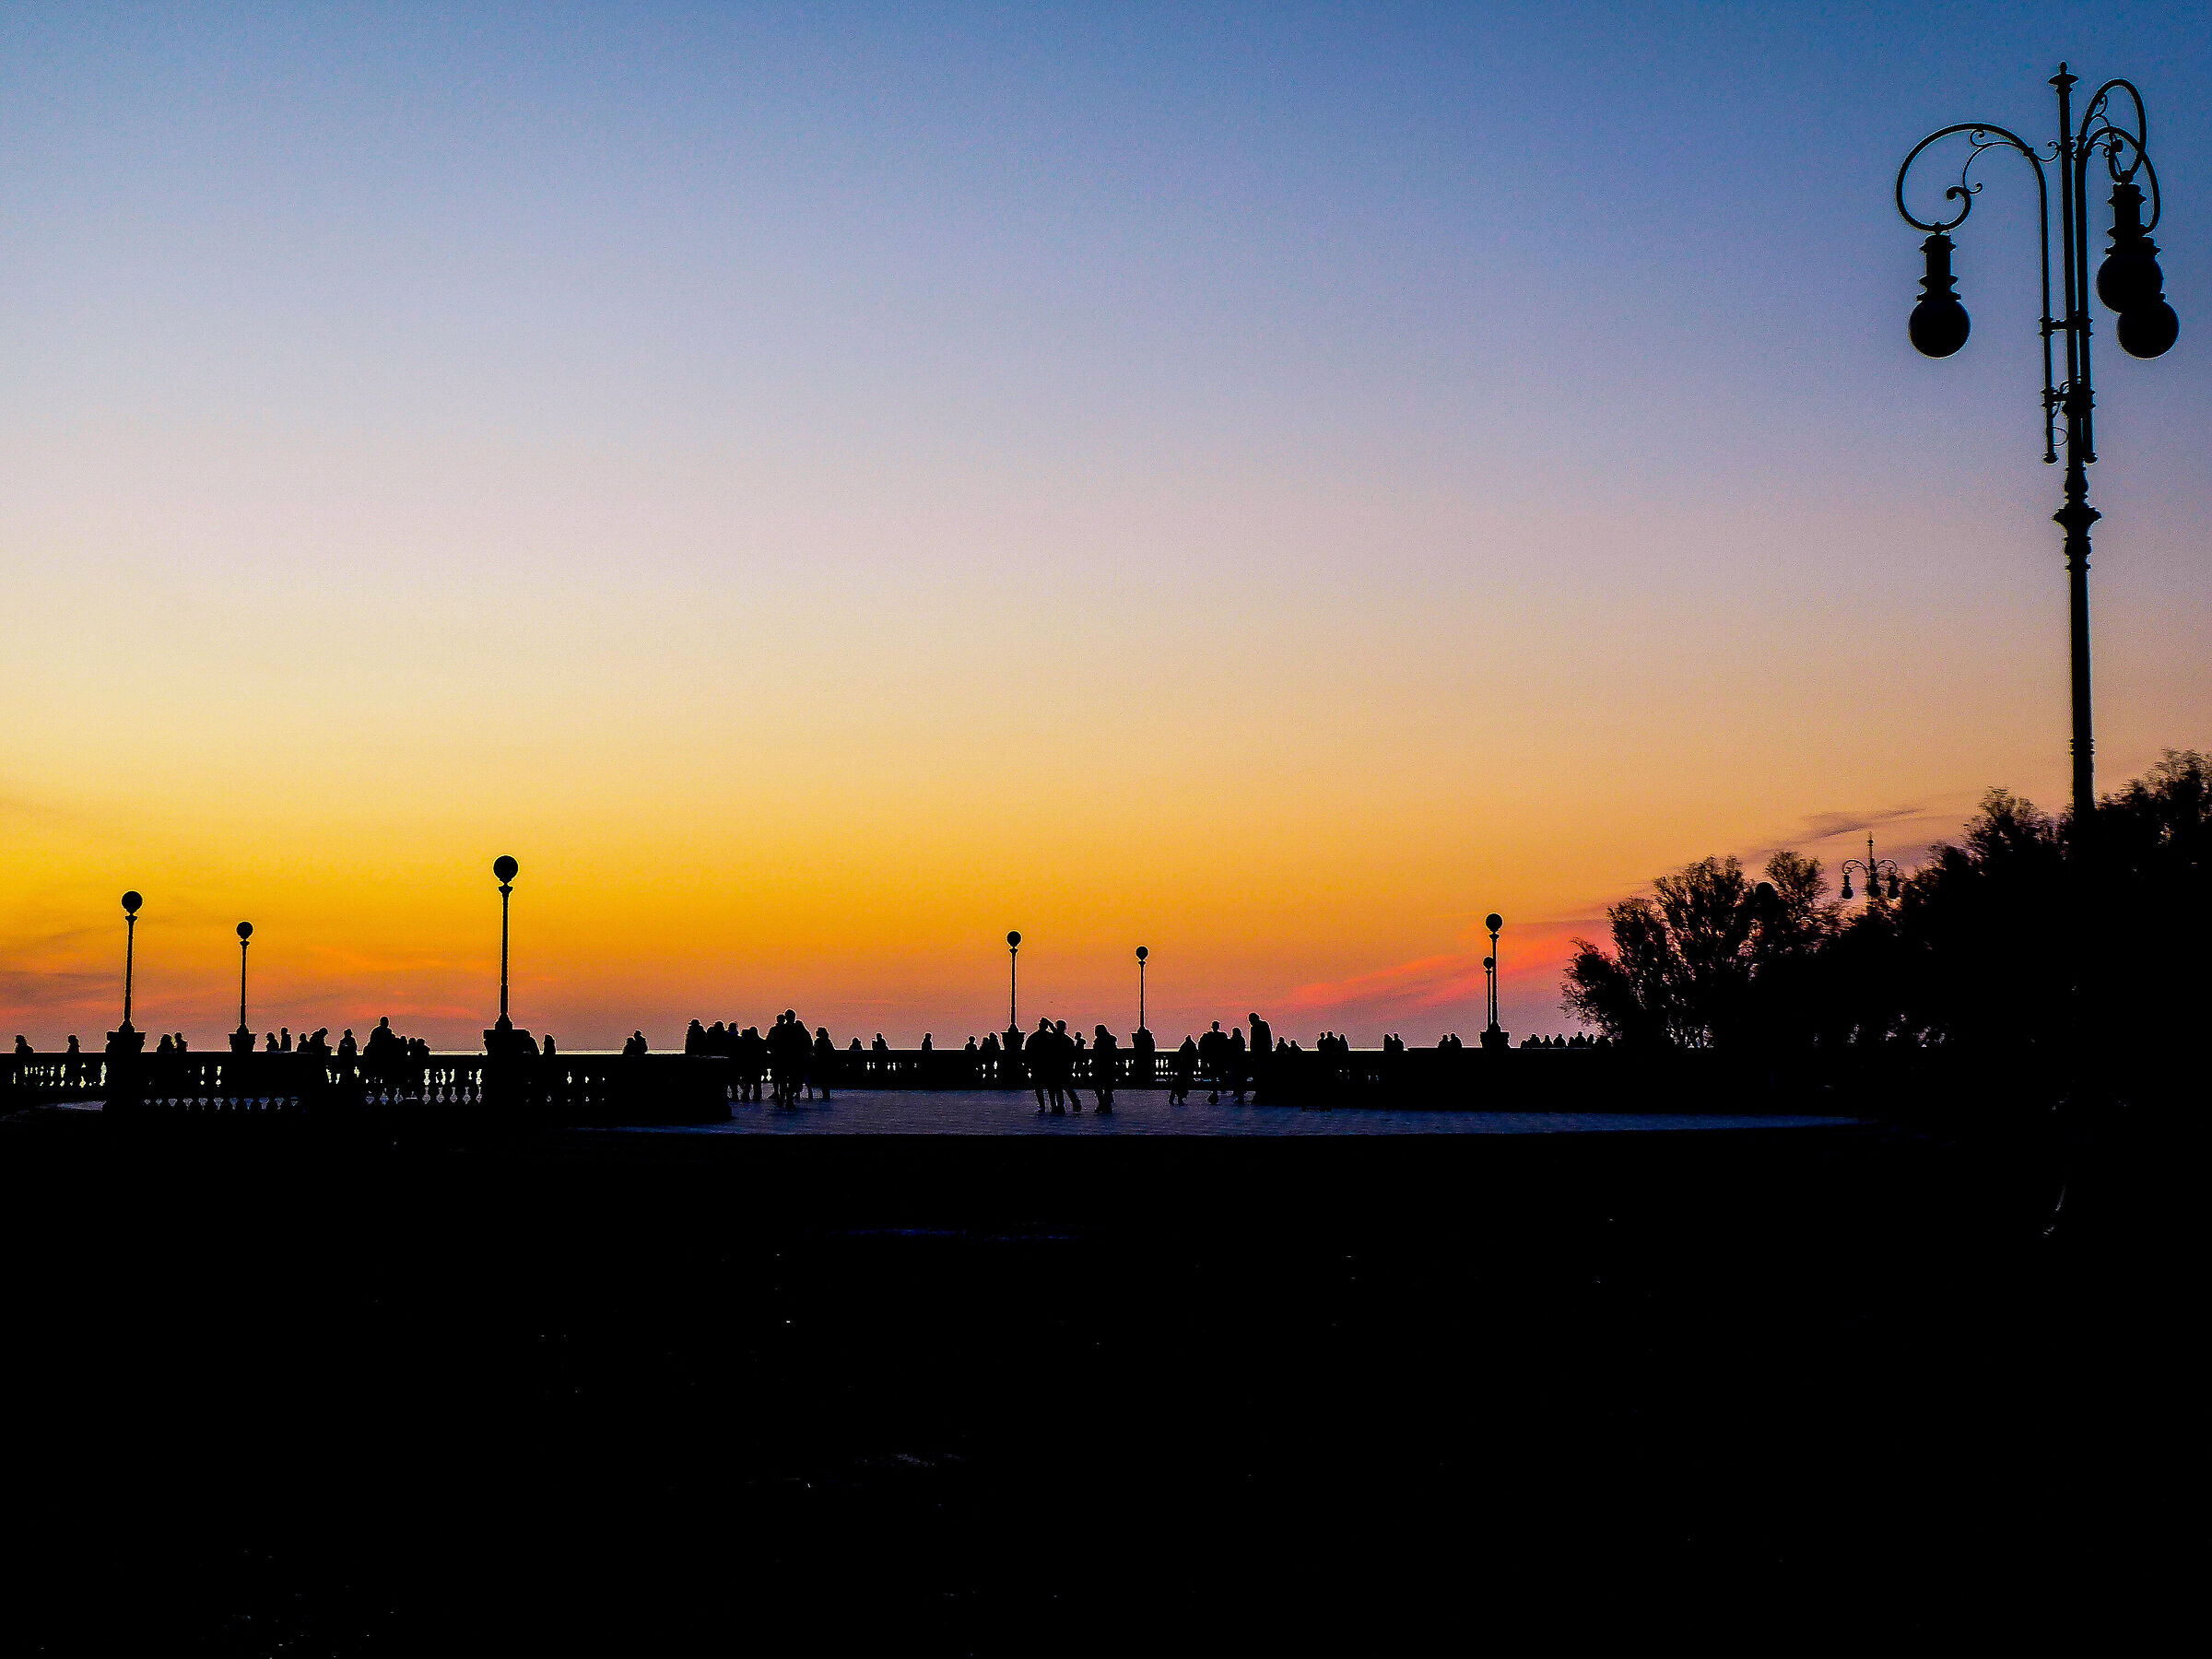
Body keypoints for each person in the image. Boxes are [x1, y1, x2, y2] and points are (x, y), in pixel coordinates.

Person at [1092, 1025, 1118, 1112]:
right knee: (1105, 1087)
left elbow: (1098, 1054)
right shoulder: (1109, 1040)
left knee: (1100, 1086)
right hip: (1107, 1066)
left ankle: (1103, 1104)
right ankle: (1105, 1104)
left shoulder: (1101, 1041)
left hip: (1103, 1066)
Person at [1171, 1035, 1197, 1105]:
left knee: (1179, 1083)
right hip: (1187, 1069)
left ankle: (1174, 1097)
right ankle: (1180, 1098)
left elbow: (1180, 1054)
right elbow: (1194, 1057)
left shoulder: (1184, 1046)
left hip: (1182, 1068)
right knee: (1183, 1085)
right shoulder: (1192, 1046)